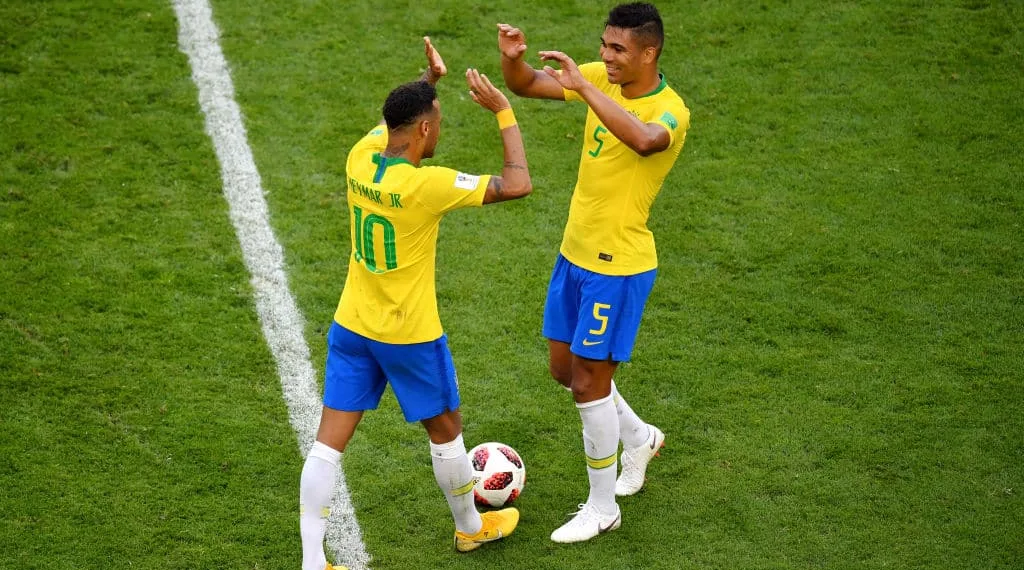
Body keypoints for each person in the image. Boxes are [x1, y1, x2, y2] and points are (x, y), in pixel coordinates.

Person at [299, 37, 532, 570]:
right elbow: (519, 183)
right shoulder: (427, 186)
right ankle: (471, 530)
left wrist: (428, 83)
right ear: (426, 129)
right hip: (409, 334)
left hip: (351, 325)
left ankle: (314, 561)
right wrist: (504, 112)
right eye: (438, 119)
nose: (440, 127)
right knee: (447, 432)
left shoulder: (359, 160)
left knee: (326, 447)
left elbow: (393, 124)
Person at [497, 2, 689, 543]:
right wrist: (512, 61)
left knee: (588, 383)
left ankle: (603, 507)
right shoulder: (601, 79)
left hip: (619, 267)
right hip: (574, 254)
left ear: (649, 52)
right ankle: (640, 437)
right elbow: (529, 85)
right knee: (566, 371)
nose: (606, 57)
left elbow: (645, 139)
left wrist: (586, 88)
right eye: (604, 46)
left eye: (618, 50)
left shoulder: (671, 108)